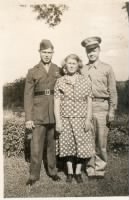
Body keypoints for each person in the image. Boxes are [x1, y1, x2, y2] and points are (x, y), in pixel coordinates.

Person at [24, 39, 61, 186]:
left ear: (53, 53)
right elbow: (28, 96)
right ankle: (34, 175)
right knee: (36, 146)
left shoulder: (58, 70)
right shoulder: (32, 71)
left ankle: (53, 172)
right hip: (38, 113)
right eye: (44, 52)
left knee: (52, 145)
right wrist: (28, 118)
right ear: (39, 52)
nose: (47, 55)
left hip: (54, 112)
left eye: (49, 52)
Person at [54, 54, 95, 183]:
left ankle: (78, 172)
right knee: (68, 147)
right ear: (65, 65)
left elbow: (89, 101)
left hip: (81, 119)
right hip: (65, 119)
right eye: (69, 63)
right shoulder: (60, 81)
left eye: (74, 63)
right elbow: (56, 102)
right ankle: (70, 173)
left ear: (78, 65)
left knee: (81, 147)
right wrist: (58, 121)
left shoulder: (85, 80)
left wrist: (88, 119)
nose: (71, 65)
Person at [81, 36, 117, 178]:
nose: (91, 53)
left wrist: (112, 110)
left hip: (103, 106)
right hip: (87, 107)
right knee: (88, 139)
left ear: (99, 50)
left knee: (101, 140)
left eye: (94, 50)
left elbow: (113, 90)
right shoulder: (82, 69)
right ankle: (90, 169)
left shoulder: (107, 68)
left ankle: (100, 170)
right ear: (86, 52)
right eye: (89, 51)